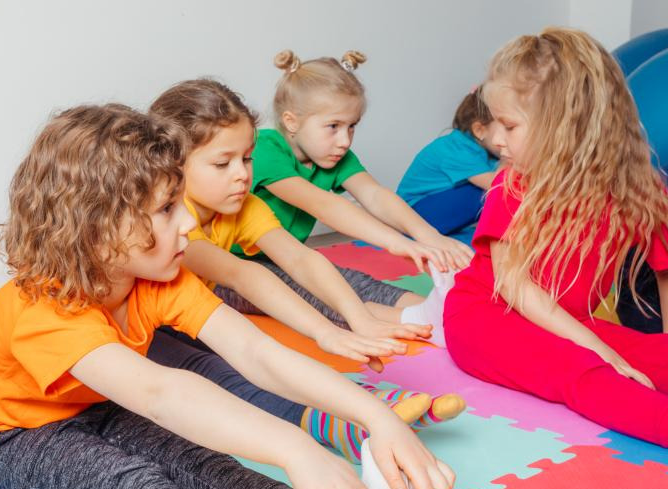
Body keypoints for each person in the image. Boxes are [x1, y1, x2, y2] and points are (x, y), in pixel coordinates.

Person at [0, 104, 455, 489]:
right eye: (168, 210)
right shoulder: (42, 310)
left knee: (202, 464)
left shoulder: (155, 276)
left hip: (97, 403)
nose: (189, 225)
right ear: (99, 229)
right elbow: (159, 391)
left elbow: (256, 352)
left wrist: (376, 418)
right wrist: (297, 449)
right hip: (15, 436)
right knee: (126, 484)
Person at [146, 79, 465, 464]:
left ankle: (361, 406)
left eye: (246, 159)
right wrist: (325, 332)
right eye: (222, 163)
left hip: (192, 314)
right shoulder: (177, 221)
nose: (242, 174)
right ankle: (341, 419)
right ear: (174, 167)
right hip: (148, 335)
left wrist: (357, 318)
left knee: (262, 355)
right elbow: (243, 275)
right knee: (222, 374)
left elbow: (301, 259)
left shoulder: (242, 206)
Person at [444, 28, 668, 449]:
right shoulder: (513, 186)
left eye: (509, 125)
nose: (495, 139)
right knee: (586, 373)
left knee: (661, 359)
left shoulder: (637, 189)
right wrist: (602, 351)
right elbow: (515, 285)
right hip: (485, 319)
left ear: (566, 126)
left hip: (568, 323)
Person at [247, 49, 477, 346]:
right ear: (291, 122)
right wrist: (399, 243)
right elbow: (322, 204)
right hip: (234, 268)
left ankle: (450, 308)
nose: (344, 141)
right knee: (308, 296)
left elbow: (375, 194)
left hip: (289, 259)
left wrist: (428, 236)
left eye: (351, 126)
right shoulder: (264, 150)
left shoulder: (333, 155)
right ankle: (424, 322)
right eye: (333, 127)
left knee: (349, 280)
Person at [397, 85, 505, 235]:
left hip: (430, 209)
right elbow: (497, 184)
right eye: (508, 129)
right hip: (413, 215)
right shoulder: (456, 149)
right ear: (480, 130)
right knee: (489, 192)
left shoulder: (482, 150)